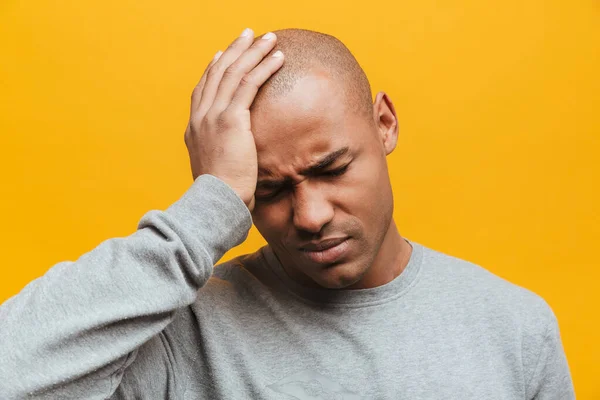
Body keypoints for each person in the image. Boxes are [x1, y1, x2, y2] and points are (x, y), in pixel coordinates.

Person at [0, 28, 574, 399]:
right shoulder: (181, 335)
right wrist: (208, 208)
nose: (310, 215)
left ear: (385, 124)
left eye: (331, 168)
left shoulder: (515, 330)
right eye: (268, 191)